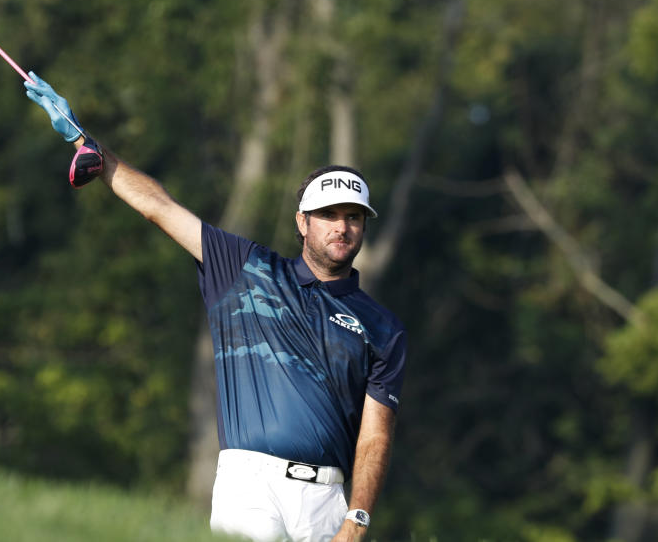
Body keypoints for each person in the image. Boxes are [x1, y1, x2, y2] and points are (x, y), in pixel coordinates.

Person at [24, 74, 407, 542]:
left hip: (327, 501)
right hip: (249, 486)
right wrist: (90, 146)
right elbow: (160, 207)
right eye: (328, 215)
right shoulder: (246, 268)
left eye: (353, 217)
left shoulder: (383, 329)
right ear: (302, 222)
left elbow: (374, 439)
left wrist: (357, 519)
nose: (341, 227)